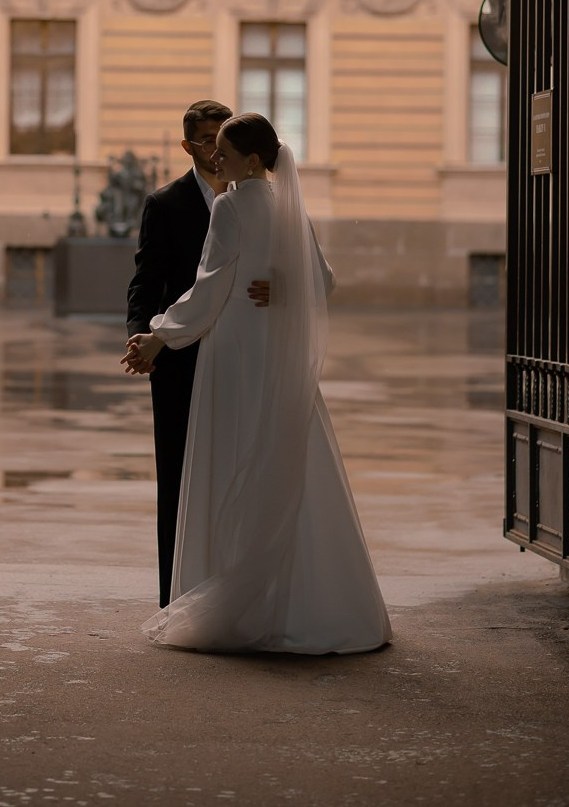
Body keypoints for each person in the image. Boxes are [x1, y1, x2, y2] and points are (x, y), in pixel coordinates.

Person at [122, 112, 391, 655]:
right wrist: (285, 287)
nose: (215, 159)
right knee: (284, 460)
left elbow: (211, 289)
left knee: (230, 461)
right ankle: (309, 602)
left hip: (234, 353)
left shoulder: (228, 204)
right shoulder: (291, 206)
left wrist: (158, 336)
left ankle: (232, 596)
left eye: (223, 151)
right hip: (276, 353)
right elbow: (326, 279)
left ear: (249, 160)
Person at [126, 100, 269, 610]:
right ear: (188, 146)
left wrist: (282, 289)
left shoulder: (261, 200)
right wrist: (144, 341)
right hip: (179, 365)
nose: (215, 149)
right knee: (179, 483)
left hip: (243, 363)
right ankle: (176, 598)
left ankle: (236, 590)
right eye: (206, 140)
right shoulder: (164, 204)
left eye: (222, 137)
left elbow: (305, 273)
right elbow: (146, 282)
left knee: (239, 477)